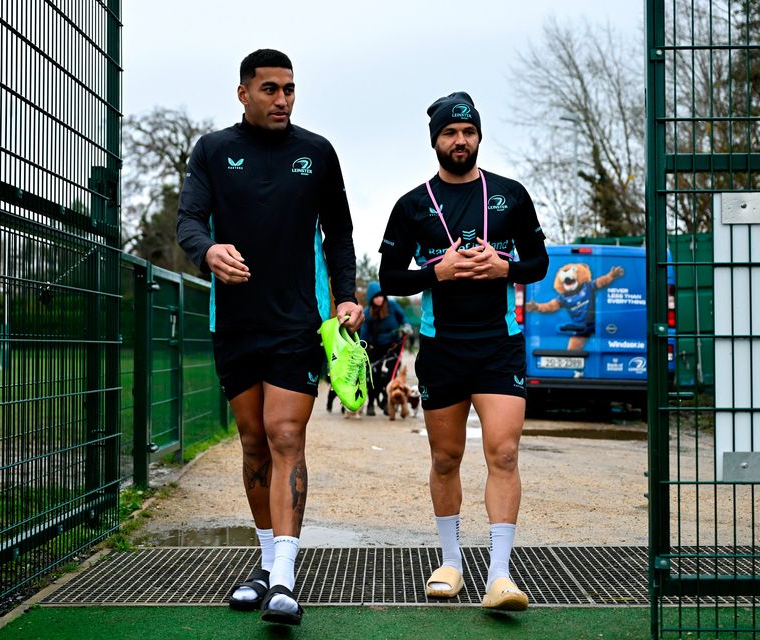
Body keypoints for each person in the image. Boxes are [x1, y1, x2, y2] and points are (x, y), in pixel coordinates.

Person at [176, 49, 362, 626]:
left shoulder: (316, 152)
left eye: (289, 89)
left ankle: (284, 577)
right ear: (244, 94)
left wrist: (347, 295)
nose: (282, 99)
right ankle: (264, 565)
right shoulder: (212, 150)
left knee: (286, 436)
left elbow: (339, 232)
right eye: (270, 89)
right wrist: (206, 251)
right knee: (253, 442)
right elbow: (188, 221)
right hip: (233, 321)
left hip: (295, 323)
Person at [377, 92, 549, 610]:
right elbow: (389, 278)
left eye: (467, 132)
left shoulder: (510, 195)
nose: (460, 141)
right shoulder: (412, 204)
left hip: (499, 346)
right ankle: (450, 561)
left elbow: (538, 262)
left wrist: (505, 269)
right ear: (436, 141)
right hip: (442, 348)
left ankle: (500, 574)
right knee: (446, 457)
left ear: (479, 136)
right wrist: (437, 272)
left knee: (503, 452)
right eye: (450, 133)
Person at [359, 281, 409, 416]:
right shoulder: (367, 313)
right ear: (371, 299)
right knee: (374, 377)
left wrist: (406, 326)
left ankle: (388, 403)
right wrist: (360, 347)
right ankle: (371, 403)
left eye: (381, 296)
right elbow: (364, 333)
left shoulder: (392, 306)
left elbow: (403, 318)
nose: (379, 299)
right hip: (376, 347)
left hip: (394, 346)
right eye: (376, 297)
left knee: (391, 375)